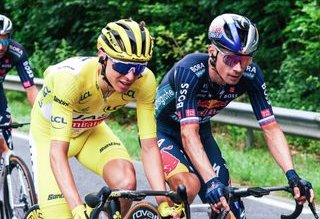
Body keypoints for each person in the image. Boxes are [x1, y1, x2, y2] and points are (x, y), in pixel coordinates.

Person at [155, 13, 315, 217]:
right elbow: (188, 133)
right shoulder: (190, 70)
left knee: (230, 205)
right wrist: (210, 182)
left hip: (201, 134)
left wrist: (293, 176)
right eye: (231, 59)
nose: (238, 68)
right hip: (163, 132)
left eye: (245, 59)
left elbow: (270, 128)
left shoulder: (251, 75)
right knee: (187, 189)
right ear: (212, 52)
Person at [29, 19, 182, 219]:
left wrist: (163, 202)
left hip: (90, 131)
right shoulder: (71, 80)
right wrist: (76, 208)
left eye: (138, 68)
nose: (129, 76)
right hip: (49, 137)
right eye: (121, 66)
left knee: (126, 184)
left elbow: (149, 146)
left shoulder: (145, 82)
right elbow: (57, 152)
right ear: (102, 57)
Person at [0, 14, 38, 159]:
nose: (1, 46)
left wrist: (39, 116)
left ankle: (7, 163)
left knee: (4, 126)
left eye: (4, 39)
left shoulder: (17, 51)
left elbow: (30, 88)